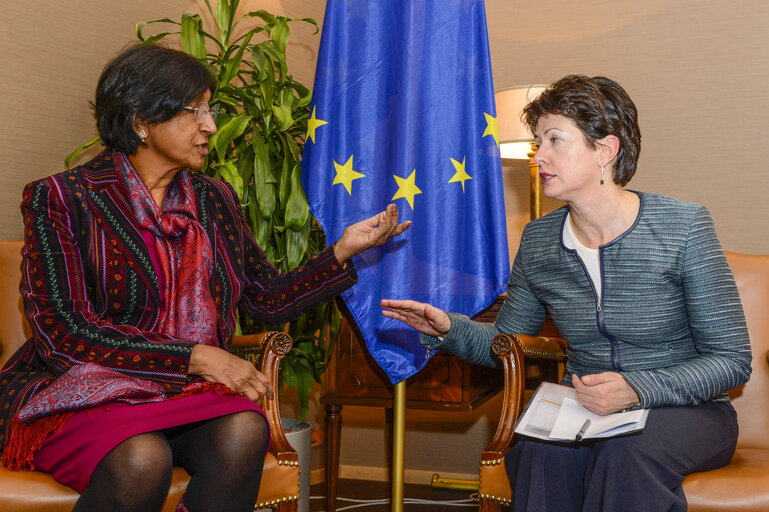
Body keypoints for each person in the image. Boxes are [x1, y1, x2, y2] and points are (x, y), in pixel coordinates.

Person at [0, 44, 409, 512]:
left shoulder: (213, 198)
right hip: (83, 393)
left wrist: (341, 251)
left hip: (177, 393)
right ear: (141, 120)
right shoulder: (61, 197)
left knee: (243, 428)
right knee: (143, 457)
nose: (211, 126)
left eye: (209, 110)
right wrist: (196, 357)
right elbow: (65, 335)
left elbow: (266, 299)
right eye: (196, 111)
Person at [382, 74, 751, 511]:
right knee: (538, 452)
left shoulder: (683, 227)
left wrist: (636, 388)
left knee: (626, 454)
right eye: (539, 141)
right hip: (586, 412)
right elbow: (507, 343)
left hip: (688, 411)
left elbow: (731, 361)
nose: (539, 155)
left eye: (555, 140)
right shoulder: (539, 242)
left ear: (605, 151)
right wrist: (448, 330)